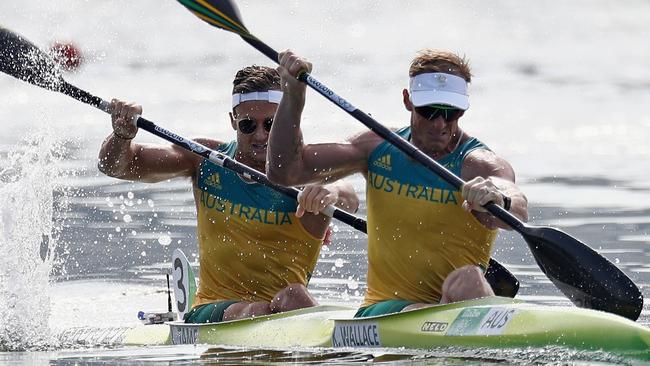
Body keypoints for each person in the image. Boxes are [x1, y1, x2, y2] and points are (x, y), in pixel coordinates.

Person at [267, 49, 528, 317]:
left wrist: (498, 199)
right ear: (408, 100)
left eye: (451, 113)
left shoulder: (478, 163)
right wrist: (293, 96)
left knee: (467, 279)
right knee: (465, 282)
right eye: (429, 110)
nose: (440, 123)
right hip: (383, 312)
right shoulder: (376, 148)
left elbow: (516, 204)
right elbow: (284, 172)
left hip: (454, 304)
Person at [97, 65, 359, 323]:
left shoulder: (304, 170)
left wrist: (332, 191)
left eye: (271, 124)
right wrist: (121, 136)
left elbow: (351, 198)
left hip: (287, 309)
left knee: (291, 296)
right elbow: (116, 166)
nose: (261, 135)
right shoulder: (204, 159)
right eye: (247, 124)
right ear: (233, 120)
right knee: (285, 300)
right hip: (213, 310)